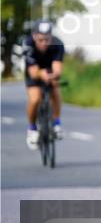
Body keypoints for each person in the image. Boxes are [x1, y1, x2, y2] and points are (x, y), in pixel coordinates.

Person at [23, 20, 65, 149]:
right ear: (35, 36)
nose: (44, 43)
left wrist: (54, 76)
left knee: (55, 90)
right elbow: (34, 72)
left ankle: (57, 124)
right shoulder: (28, 44)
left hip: (49, 69)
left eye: (47, 39)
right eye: (40, 40)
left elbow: (57, 68)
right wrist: (42, 75)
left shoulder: (58, 44)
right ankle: (32, 128)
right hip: (34, 71)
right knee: (35, 99)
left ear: (51, 37)